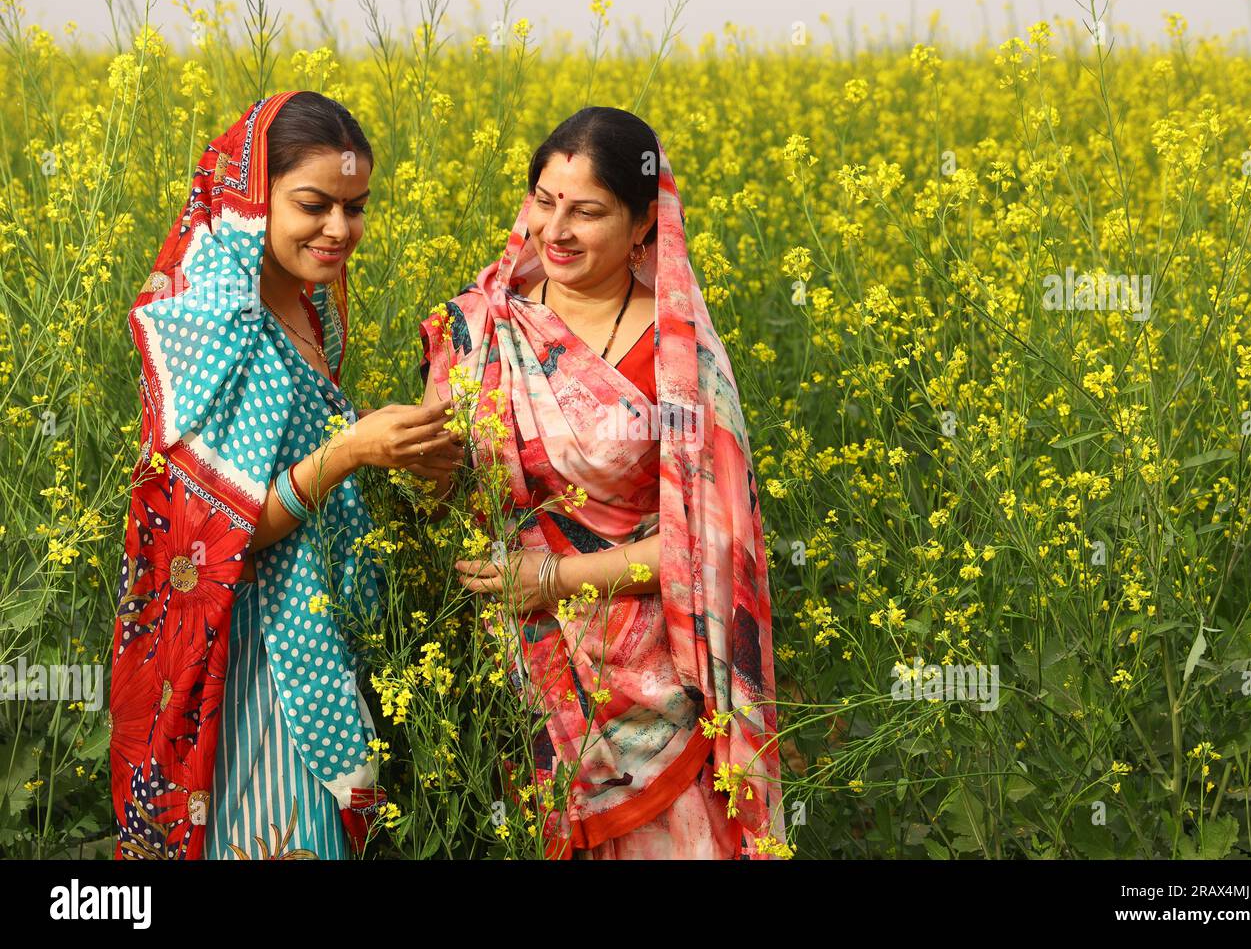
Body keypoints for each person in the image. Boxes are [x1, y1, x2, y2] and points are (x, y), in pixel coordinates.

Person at [418, 106, 784, 858]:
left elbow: (710, 548)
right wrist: (417, 466)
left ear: (645, 224)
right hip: (511, 687)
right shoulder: (480, 329)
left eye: (587, 211)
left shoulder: (680, 358)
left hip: (656, 702)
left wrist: (555, 577)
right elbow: (440, 501)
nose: (557, 230)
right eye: (545, 202)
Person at [109, 91, 461, 859]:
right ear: (250, 202)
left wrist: (404, 459)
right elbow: (218, 536)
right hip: (251, 663)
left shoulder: (308, 310)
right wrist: (349, 453)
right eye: (315, 205)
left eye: (356, 207)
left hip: (316, 632)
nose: (340, 229)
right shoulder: (213, 324)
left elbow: (304, 462)